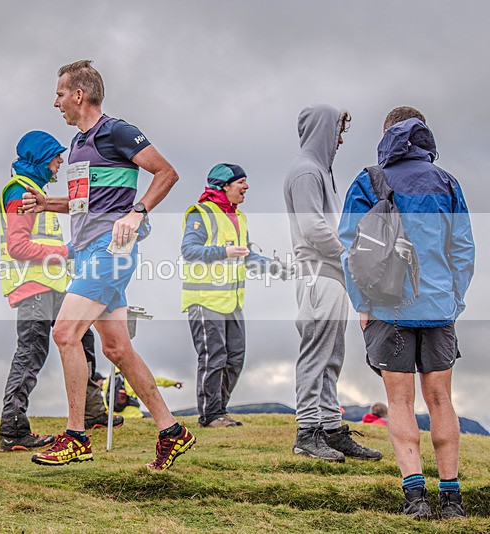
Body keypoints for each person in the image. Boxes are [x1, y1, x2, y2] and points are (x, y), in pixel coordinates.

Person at [26, 60, 195, 470]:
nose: (56, 103)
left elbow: (166, 173)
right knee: (117, 348)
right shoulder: (76, 145)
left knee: (65, 333)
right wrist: (49, 203)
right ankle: (172, 430)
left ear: (79, 95)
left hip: (110, 251)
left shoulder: (116, 131)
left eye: (60, 94)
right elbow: (85, 203)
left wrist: (137, 212)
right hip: (87, 251)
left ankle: (76, 436)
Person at [339, 107, 474, 519]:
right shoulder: (447, 182)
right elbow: (462, 249)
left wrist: (362, 304)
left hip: (387, 307)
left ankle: (415, 498)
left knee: (399, 401)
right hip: (438, 308)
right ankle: (451, 500)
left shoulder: (369, 180)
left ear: (386, 136)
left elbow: (349, 249)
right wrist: (454, 301)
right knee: (441, 400)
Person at [0, 130, 122, 453]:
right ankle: (12, 430)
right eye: (55, 158)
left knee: (83, 340)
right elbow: (18, 246)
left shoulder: (34, 191)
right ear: (41, 158)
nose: (59, 164)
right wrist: (66, 252)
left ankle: (93, 413)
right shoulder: (21, 192)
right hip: (32, 287)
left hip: (52, 286)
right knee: (31, 354)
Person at [283, 103, 382, 462]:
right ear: (324, 130)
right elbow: (312, 227)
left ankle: (330, 429)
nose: (340, 140)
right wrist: (349, 255)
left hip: (331, 274)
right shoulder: (306, 171)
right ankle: (307, 432)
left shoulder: (318, 172)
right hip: (319, 274)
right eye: (338, 131)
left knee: (331, 356)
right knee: (316, 354)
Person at [181, 163, 279, 428]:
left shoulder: (239, 217)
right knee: (213, 358)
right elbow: (189, 250)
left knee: (235, 358)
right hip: (204, 300)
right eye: (241, 182)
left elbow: (246, 255)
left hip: (232, 301)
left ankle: (220, 411)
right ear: (224, 186)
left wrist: (274, 267)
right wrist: (224, 252)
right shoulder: (200, 213)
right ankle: (210, 415)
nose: (246, 187)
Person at [102, 368, 183, 419]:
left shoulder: (108, 381)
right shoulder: (131, 378)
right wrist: (173, 383)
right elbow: (152, 381)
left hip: (114, 417)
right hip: (134, 415)